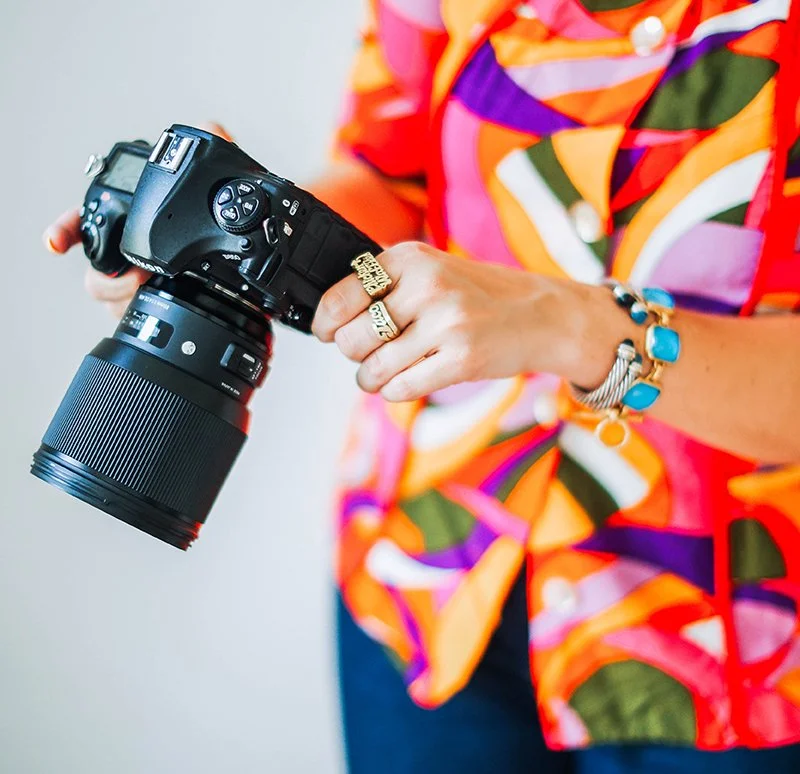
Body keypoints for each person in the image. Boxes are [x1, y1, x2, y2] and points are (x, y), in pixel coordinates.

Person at [45, 0, 800, 771]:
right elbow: (387, 175)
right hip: (428, 566)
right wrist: (235, 232)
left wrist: (574, 326)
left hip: (728, 643)